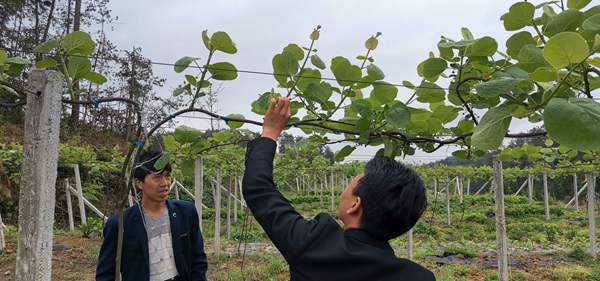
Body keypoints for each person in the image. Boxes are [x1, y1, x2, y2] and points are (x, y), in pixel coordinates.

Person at [242, 97, 435, 281]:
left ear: (355, 204)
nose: (343, 192)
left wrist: (269, 133)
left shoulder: (315, 247)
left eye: (350, 184)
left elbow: (259, 189)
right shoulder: (420, 277)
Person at [96, 150, 208, 281]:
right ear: (139, 183)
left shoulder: (186, 212)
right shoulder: (120, 224)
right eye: (157, 177)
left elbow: (198, 258)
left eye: (167, 176)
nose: (165, 183)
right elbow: (106, 273)